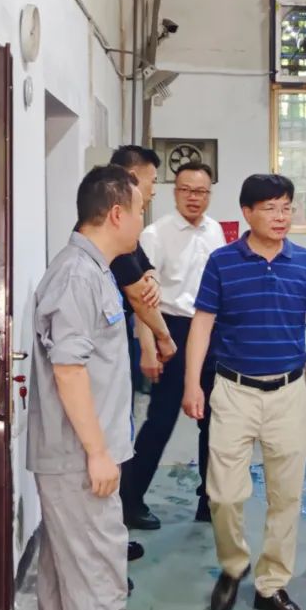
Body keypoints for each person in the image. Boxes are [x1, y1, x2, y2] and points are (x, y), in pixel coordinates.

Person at [182, 174, 306, 610]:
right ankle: (234, 565)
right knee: (223, 494)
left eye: (287, 207)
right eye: (271, 208)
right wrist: (193, 384)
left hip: (288, 393)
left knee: (286, 495)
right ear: (247, 212)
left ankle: (271, 585)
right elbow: (202, 325)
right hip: (233, 391)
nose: (281, 217)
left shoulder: (305, 263)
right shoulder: (222, 262)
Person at [26, 165, 143, 610]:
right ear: (116, 213)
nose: (141, 221)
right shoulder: (78, 276)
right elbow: (69, 370)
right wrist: (98, 453)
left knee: (63, 574)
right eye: (139, 210)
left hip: (75, 455)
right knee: (99, 575)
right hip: (79, 458)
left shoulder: (92, 271)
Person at [125, 162, 225, 527]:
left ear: (209, 194)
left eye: (201, 191)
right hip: (171, 330)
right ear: (175, 192)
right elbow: (142, 297)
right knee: (161, 420)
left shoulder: (216, 231)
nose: (193, 197)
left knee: (214, 421)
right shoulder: (156, 234)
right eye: (186, 190)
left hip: (211, 331)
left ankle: (209, 499)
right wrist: (148, 347)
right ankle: (130, 500)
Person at [105, 146, 176, 544]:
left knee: (123, 430)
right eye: (150, 181)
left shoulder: (129, 232)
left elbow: (145, 272)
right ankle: (112, 532)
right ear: (130, 178)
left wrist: (149, 279)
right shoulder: (111, 228)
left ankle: (117, 528)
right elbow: (137, 292)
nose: (153, 190)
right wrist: (162, 338)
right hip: (107, 352)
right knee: (113, 439)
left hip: (119, 346)